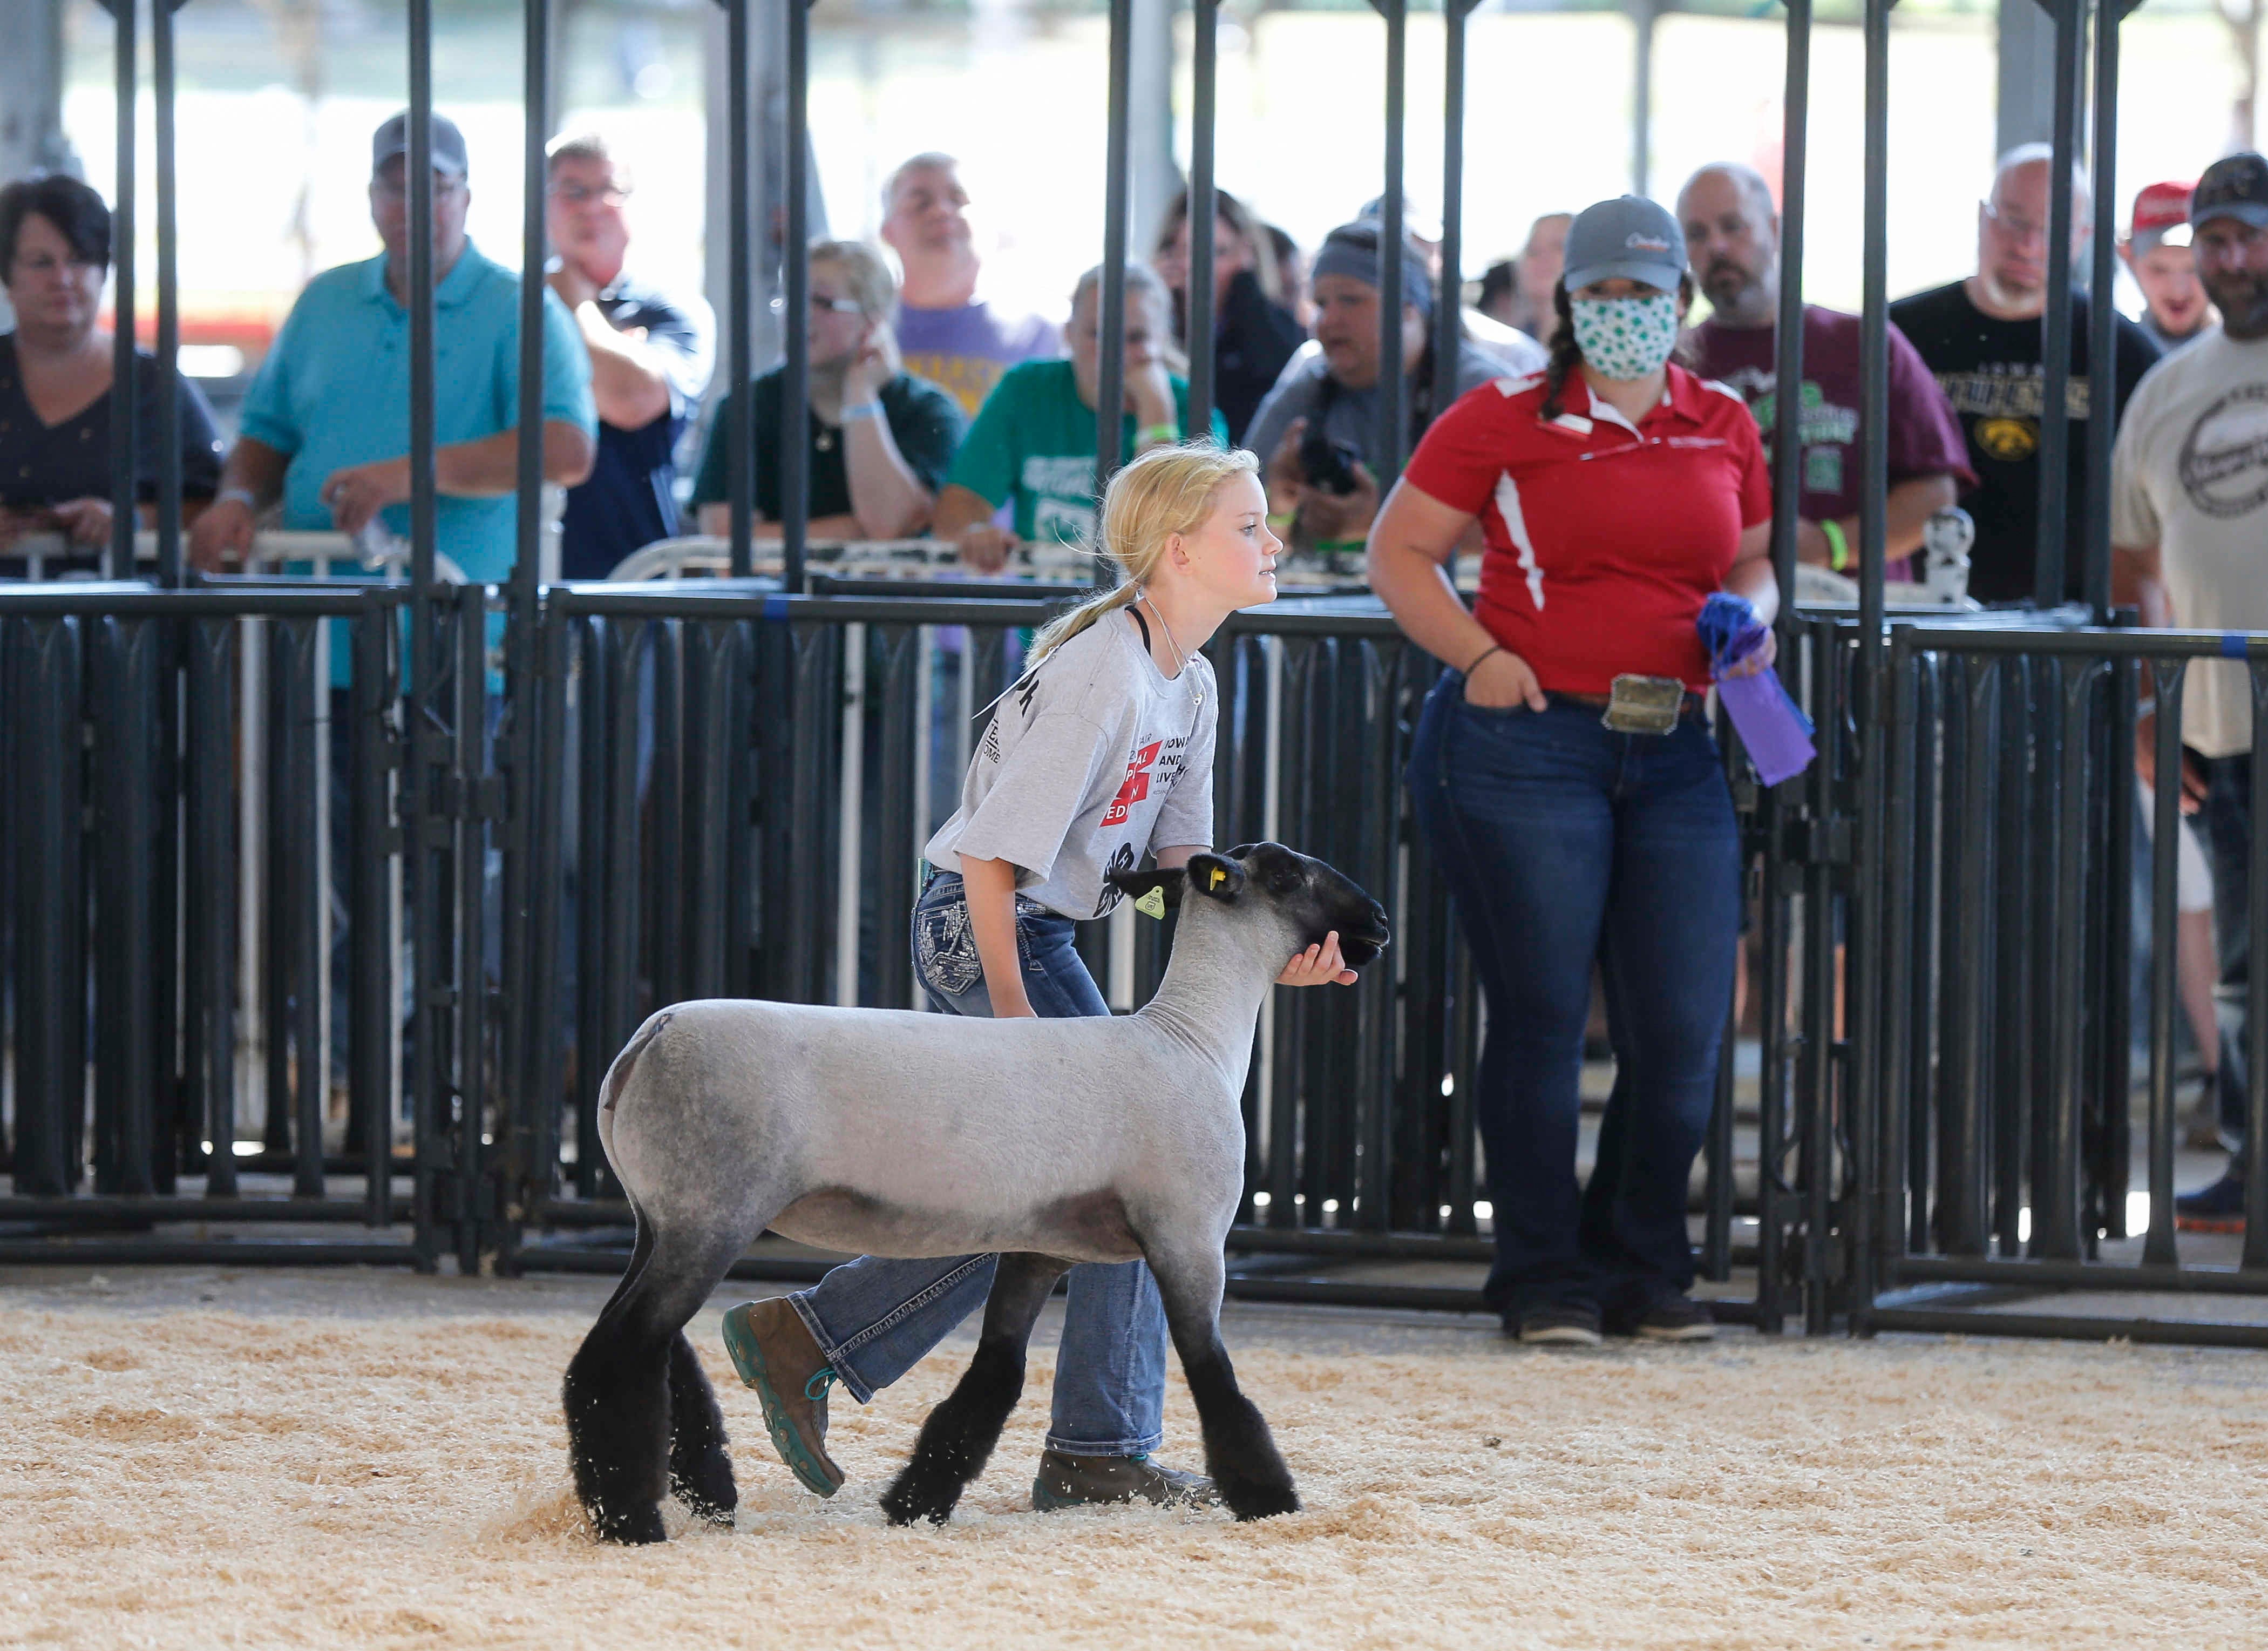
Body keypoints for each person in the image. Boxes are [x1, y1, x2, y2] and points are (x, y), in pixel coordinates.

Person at [716, 442, 1359, 1510]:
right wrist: (1020, 1031)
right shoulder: (1105, 673)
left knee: (1095, 1183)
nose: (1273, 540)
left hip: (1035, 934)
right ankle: (1090, 1442)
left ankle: (832, 1343)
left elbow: (1177, 877)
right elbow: (985, 857)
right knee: (1121, 1169)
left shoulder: (1185, 682)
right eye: (1249, 525)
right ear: (1176, 548)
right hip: (983, 930)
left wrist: (1269, 950)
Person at [1368, 194, 1777, 1344]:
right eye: (1601, 294)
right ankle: (1542, 1271)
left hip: (1679, 742)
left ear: (1680, 304)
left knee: (1684, 1028)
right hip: (1524, 739)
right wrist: (1479, 654)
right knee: (1544, 1017)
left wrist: (1755, 623)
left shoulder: (1723, 420)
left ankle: (1645, 1263)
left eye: (1645, 295)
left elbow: (1752, 560)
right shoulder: (1495, 416)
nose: (1624, 314)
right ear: (1567, 305)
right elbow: (1397, 552)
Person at [189, 111, 595, 577]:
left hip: (457, 617)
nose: (413, 207)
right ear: (371, 199)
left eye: (435, 189)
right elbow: (266, 432)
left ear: (467, 197)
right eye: (395, 189)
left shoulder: (522, 310)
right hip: (317, 616)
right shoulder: (325, 299)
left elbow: (568, 449)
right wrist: (236, 500)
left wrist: (417, 473)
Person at [2112, 152, 2268, 1232]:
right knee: (2243, 960)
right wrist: (2150, 708)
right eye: (2215, 240)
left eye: (2251, 236)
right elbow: (2135, 567)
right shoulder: (2163, 390)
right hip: (2220, 717)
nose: (2233, 259)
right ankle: (2255, 1164)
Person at [1890, 144, 2159, 605]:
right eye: (2013, 220)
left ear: (2081, 238)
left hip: (2074, 632)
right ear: (1983, 217)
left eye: (2052, 229)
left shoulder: (2124, 353)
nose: (2028, 244)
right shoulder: (1900, 334)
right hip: (1919, 620)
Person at [1680, 162, 1972, 575]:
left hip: (1859, 620)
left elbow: (1935, 494)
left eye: (1733, 226)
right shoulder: (1677, 366)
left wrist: (1827, 545)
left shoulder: (1865, 343)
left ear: (1776, 230)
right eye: (1697, 234)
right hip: (1723, 618)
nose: (1717, 247)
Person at [1246, 221, 1544, 558]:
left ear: (1409, 309)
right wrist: (1278, 498)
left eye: (1350, 300)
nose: (1328, 320)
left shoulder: (1484, 393)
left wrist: (1381, 524)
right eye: (1320, 304)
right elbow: (1232, 523)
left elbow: (1539, 530)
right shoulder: (1308, 392)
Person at [0, 173, 221, 574]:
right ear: (7, 276)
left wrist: (132, 521)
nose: (63, 279)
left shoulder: (155, 384)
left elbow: (212, 506)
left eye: (81, 258)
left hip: (129, 628)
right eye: (41, 263)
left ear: (105, 271)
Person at [940, 263, 1226, 570]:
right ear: (1069, 335)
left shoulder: (1190, 409)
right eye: (1099, 334)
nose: (1115, 353)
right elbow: (957, 506)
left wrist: (1155, 407)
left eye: (1136, 337)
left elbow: (1173, 537)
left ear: (1162, 342)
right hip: (1047, 611)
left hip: (1149, 612)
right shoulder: (1027, 391)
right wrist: (975, 534)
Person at [690, 239, 962, 540]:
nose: (799, 315)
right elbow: (727, 546)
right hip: (772, 590)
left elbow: (888, 524)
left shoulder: (928, 411)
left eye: (821, 302)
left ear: (872, 321)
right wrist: (858, 534)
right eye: (789, 298)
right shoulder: (745, 407)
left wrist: (861, 394)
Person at [544, 132, 715, 579]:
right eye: (573, 191)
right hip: (523, 572)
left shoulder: (672, 310)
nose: (592, 207)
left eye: (610, 190)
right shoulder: (512, 307)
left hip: (633, 582)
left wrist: (575, 306)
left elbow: (630, 399)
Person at [879, 152, 1061, 421]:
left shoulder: (1042, 330)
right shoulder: (864, 327)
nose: (942, 211)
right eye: (920, 204)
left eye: (958, 200)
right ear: (888, 232)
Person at [1149, 186, 1306, 445]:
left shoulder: (1270, 324)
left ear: (1246, 255)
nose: (1198, 266)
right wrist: (1153, 302)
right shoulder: (1155, 326)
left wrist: (1246, 288)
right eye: (1186, 250)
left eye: (1217, 252)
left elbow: (1278, 374)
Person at [2121, 179, 2214, 354]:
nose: (2178, 289)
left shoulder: (2251, 357)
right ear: (2128, 259)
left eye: (2195, 269)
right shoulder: (2113, 355)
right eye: (2159, 269)